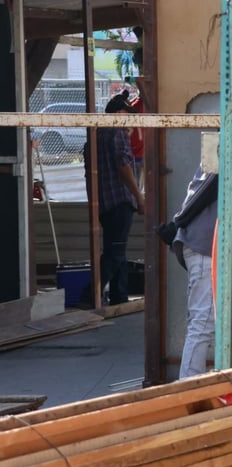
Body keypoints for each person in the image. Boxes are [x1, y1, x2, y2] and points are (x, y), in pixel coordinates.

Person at [84, 90, 145, 306]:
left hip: (104, 203)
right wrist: (139, 197)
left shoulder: (95, 136)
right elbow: (124, 167)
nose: (130, 119)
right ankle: (90, 294)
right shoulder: (116, 133)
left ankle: (119, 296)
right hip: (120, 201)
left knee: (117, 247)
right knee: (115, 251)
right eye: (127, 114)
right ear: (119, 113)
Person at [172, 166, 218, 379]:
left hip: (201, 245)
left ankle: (191, 386)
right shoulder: (225, 152)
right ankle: (188, 388)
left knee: (205, 321)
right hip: (204, 246)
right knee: (203, 322)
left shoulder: (216, 155)